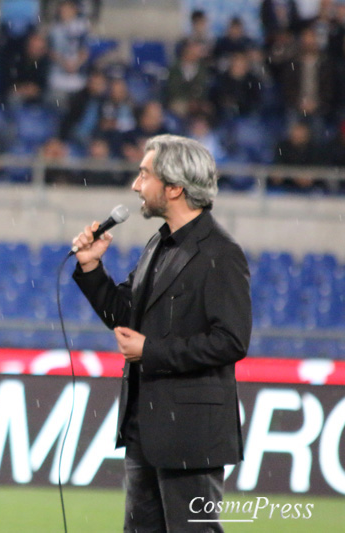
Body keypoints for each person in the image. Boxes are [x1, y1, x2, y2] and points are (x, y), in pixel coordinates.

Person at [71, 134, 251, 531]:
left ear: (174, 188)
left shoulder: (221, 252)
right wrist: (90, 268)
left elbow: (231, 341)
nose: (136, 185)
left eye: (144, 175)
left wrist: (151, 351)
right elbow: (124, 316)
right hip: (145, 430)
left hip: (190, 436)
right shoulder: (159, 243)